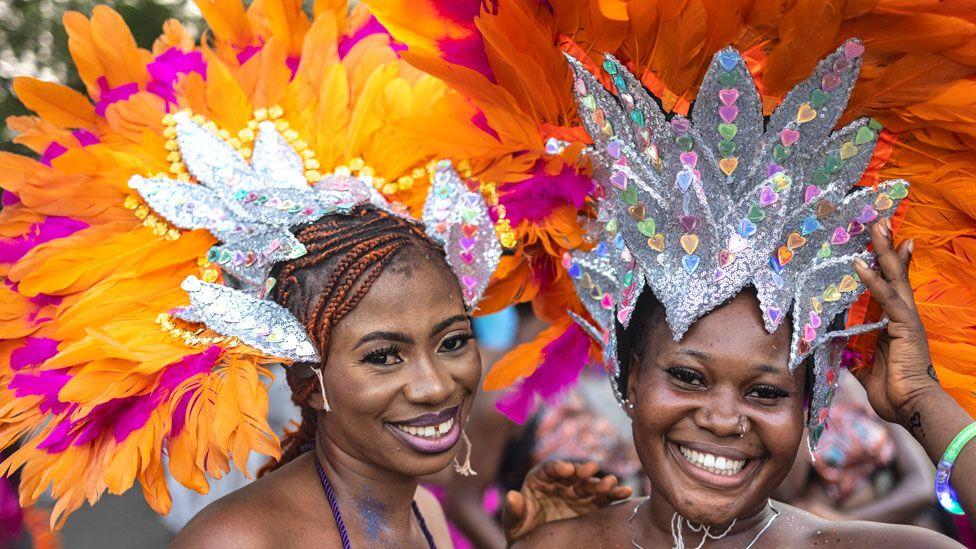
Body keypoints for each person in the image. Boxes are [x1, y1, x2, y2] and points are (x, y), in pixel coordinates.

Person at [0, 1, 629, 545]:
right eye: (384, 356)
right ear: (308, 379)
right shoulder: (239, 541)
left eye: (454, 340)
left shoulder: (429, 517)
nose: (436, 385)